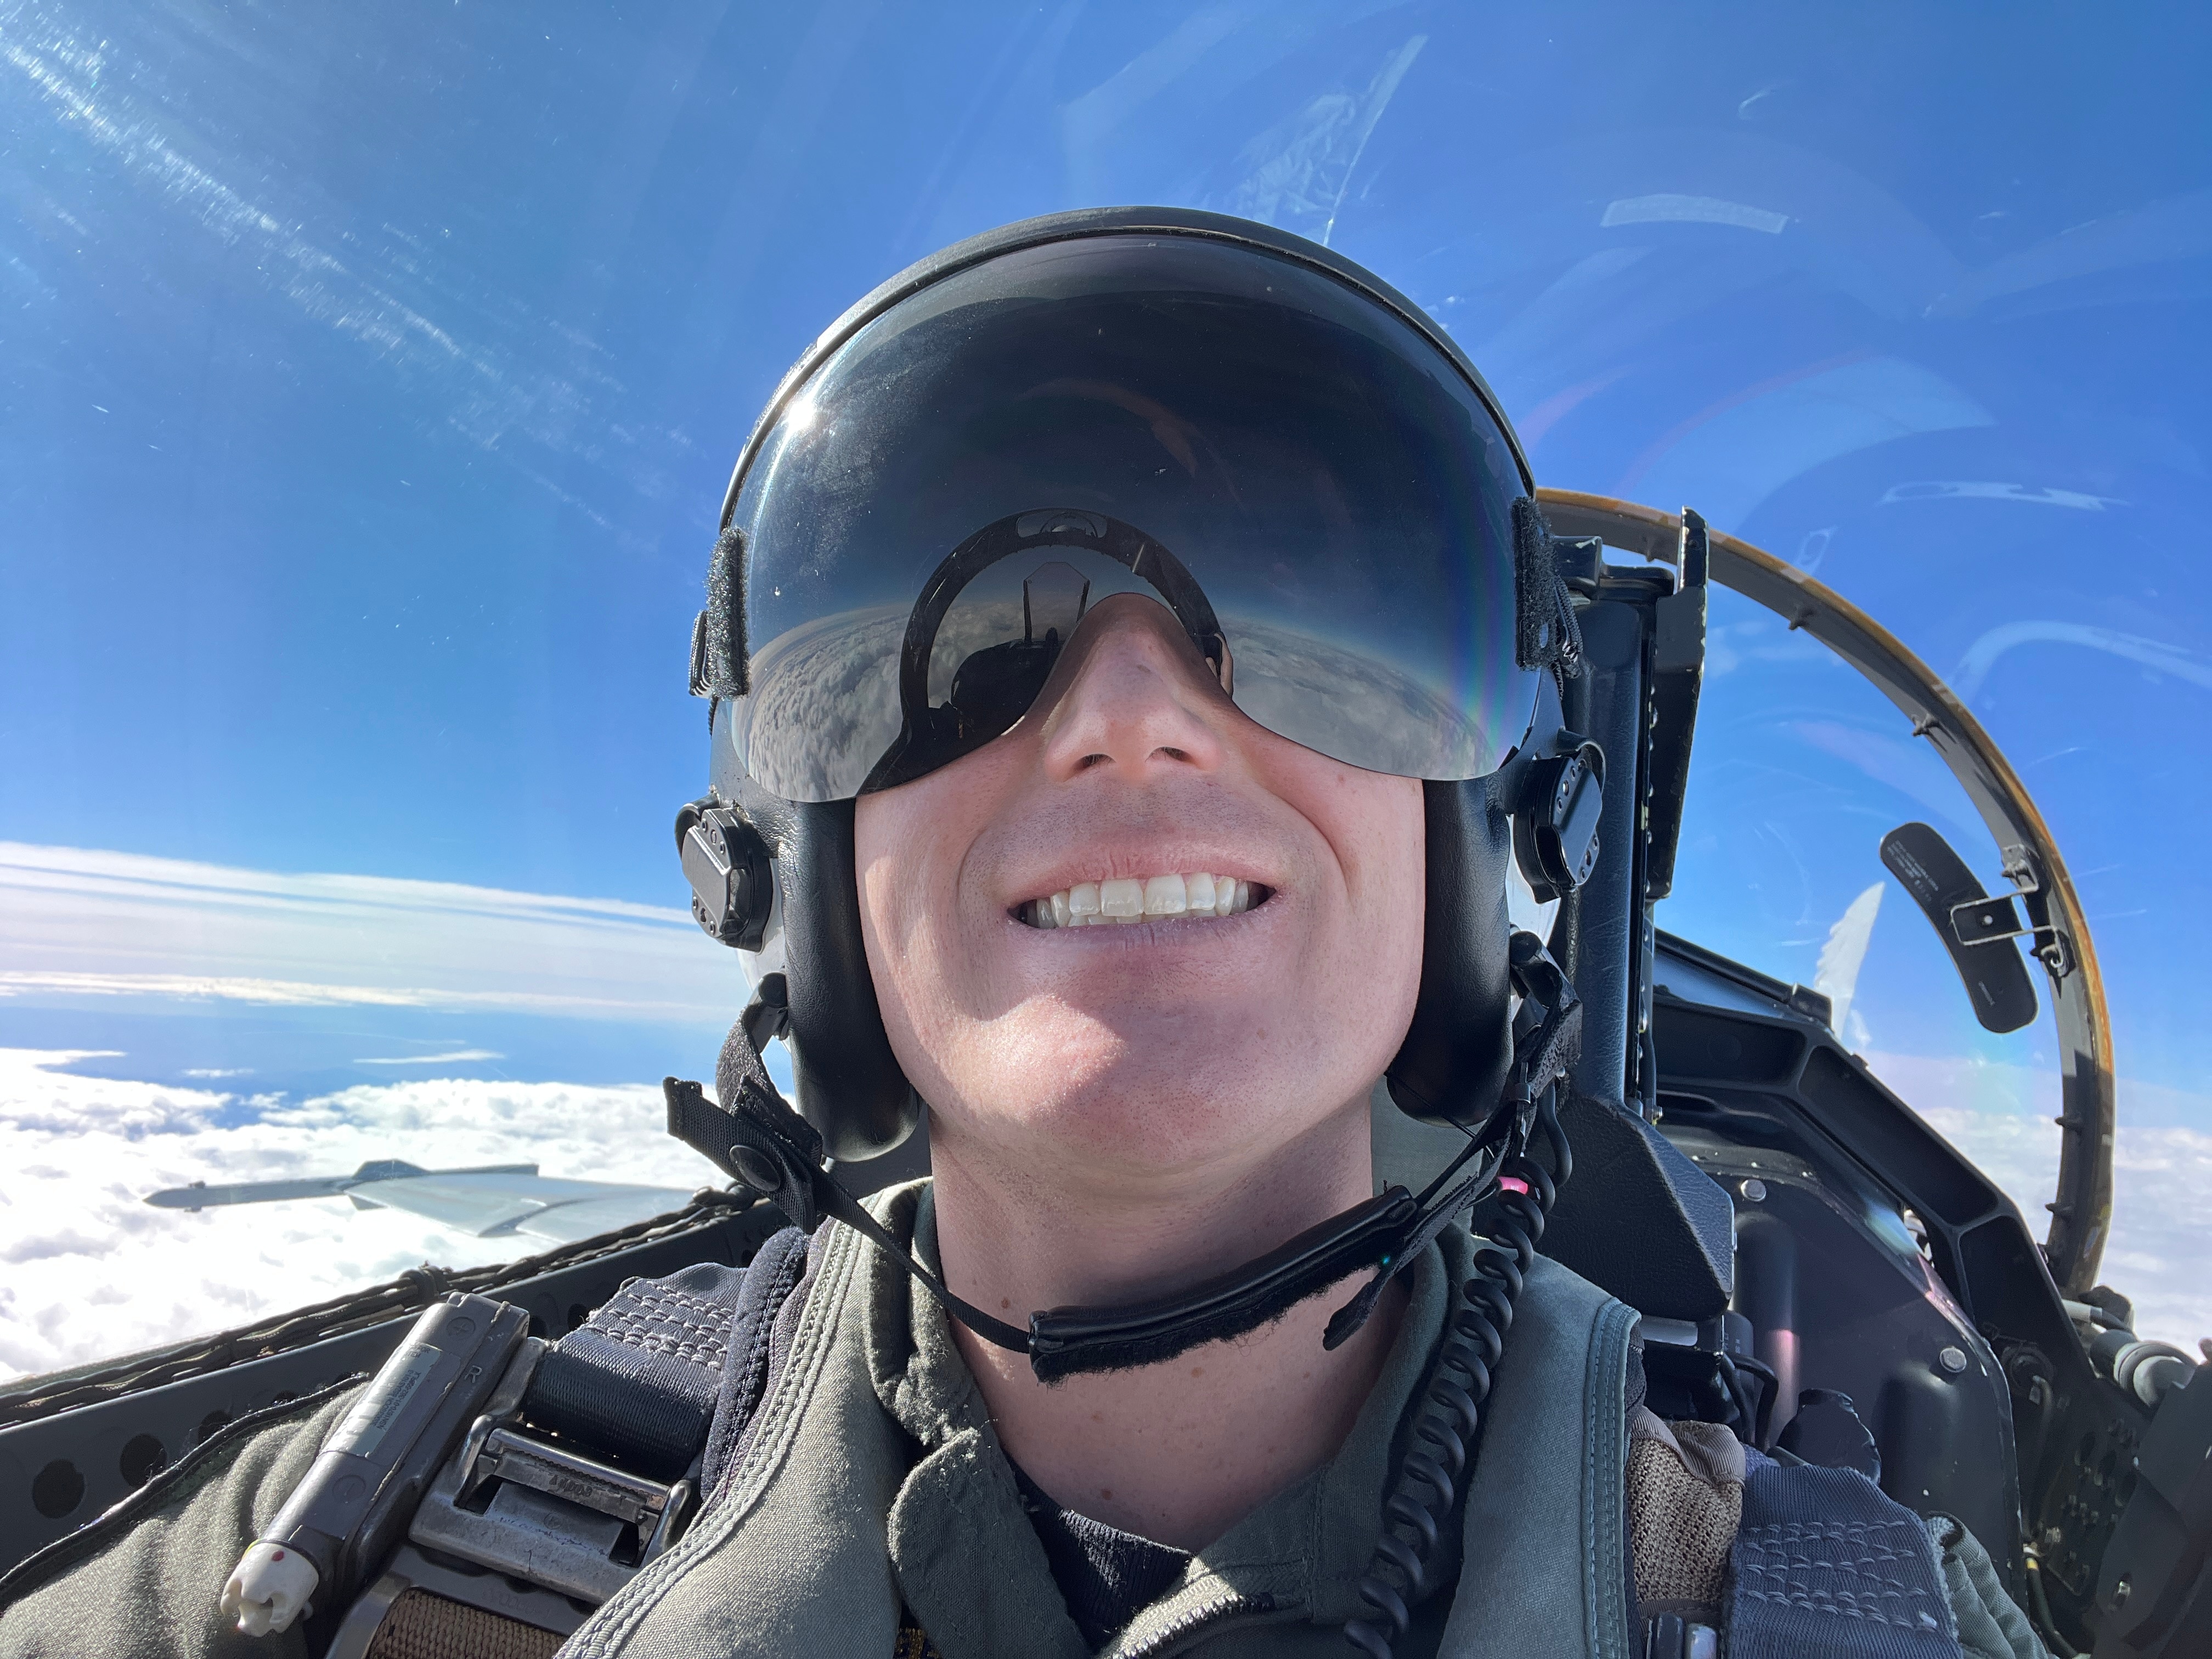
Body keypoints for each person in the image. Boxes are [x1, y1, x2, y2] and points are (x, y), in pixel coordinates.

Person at [0, 208, 2050, 1659]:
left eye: (1310, 615)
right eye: (963, 635)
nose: (1127, 714)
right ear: (791, 870)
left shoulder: (1814, 1613)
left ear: (1487, 827)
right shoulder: (372, 1548)